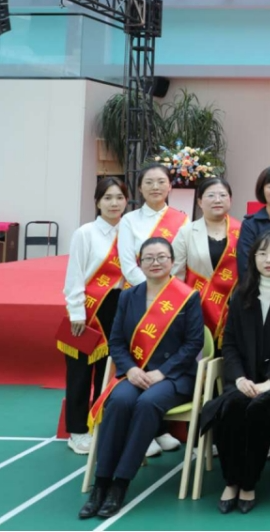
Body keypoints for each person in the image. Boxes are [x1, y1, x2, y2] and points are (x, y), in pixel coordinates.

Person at [78, 237, 204, 519]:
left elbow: (193, 344)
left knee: (148, 404)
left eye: (161, 257)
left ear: (172, 262)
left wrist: (163, 371)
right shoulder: (128, 296)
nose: (155, 263)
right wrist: (131, 369)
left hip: (174, 377)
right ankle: (101, 483)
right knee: (119, 402)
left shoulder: (188, 297)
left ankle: (120, 484)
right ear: (140, 263)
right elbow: (117, 341)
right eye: (148, 258)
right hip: (134, 374)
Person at [198, 230, 270, 515]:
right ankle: (231, 481)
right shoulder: (241, 295)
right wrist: (239, 378)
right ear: (253, 259)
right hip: (244, 378)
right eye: (262, 254)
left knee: (260, 409)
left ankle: (248, 483)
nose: (269, 260)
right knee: (230, 408)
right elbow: (230, 344)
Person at [115, 163, 189, 457]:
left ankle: (157, 427)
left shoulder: (181, 220)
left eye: (161, 181)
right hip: (138, 299)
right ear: (140, 187)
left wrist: (167, 292)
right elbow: (127, 263)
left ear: (170, 186)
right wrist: (150, 290)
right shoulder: (129, 220)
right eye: (149, 182)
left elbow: (180, 263)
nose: (156, 187)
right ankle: (145, 433)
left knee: (163, 360)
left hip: (172, 301)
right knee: (140, 359)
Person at [60, 177, 129, 456]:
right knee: (79, 374)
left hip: (120, 307)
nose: (114, 203)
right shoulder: (85, 233)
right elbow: (75, 273)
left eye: (120, 197)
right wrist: (77, 311)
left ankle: (101, 425)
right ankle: (77, 431)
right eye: (108, 198)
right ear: (97, 202)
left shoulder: (130, 232)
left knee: (108, 372)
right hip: (87, 310)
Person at [172, 177, 242, 343]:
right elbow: (175, 275)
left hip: (234, 309)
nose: (217, 200)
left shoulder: (243, 231)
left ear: (230, 200)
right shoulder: (186, 232)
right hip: (197, 308)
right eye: (211, 195)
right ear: (200, 202)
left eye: (222, 195)